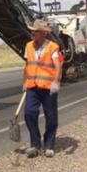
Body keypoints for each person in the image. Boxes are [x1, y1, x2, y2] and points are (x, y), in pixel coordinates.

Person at [23, 19, 63, 158]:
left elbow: (58, 66)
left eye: (36, 31)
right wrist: (24, 82)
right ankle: (35, 144)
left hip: (48, 87)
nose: (33, 33)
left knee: (51, 116)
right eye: (32, 31)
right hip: (32, 86)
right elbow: (28, 65)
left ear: (44, 33)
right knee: (29, 113)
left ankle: (49, 145)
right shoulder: (28, 46)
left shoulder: (53, 47)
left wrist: (56, 83)